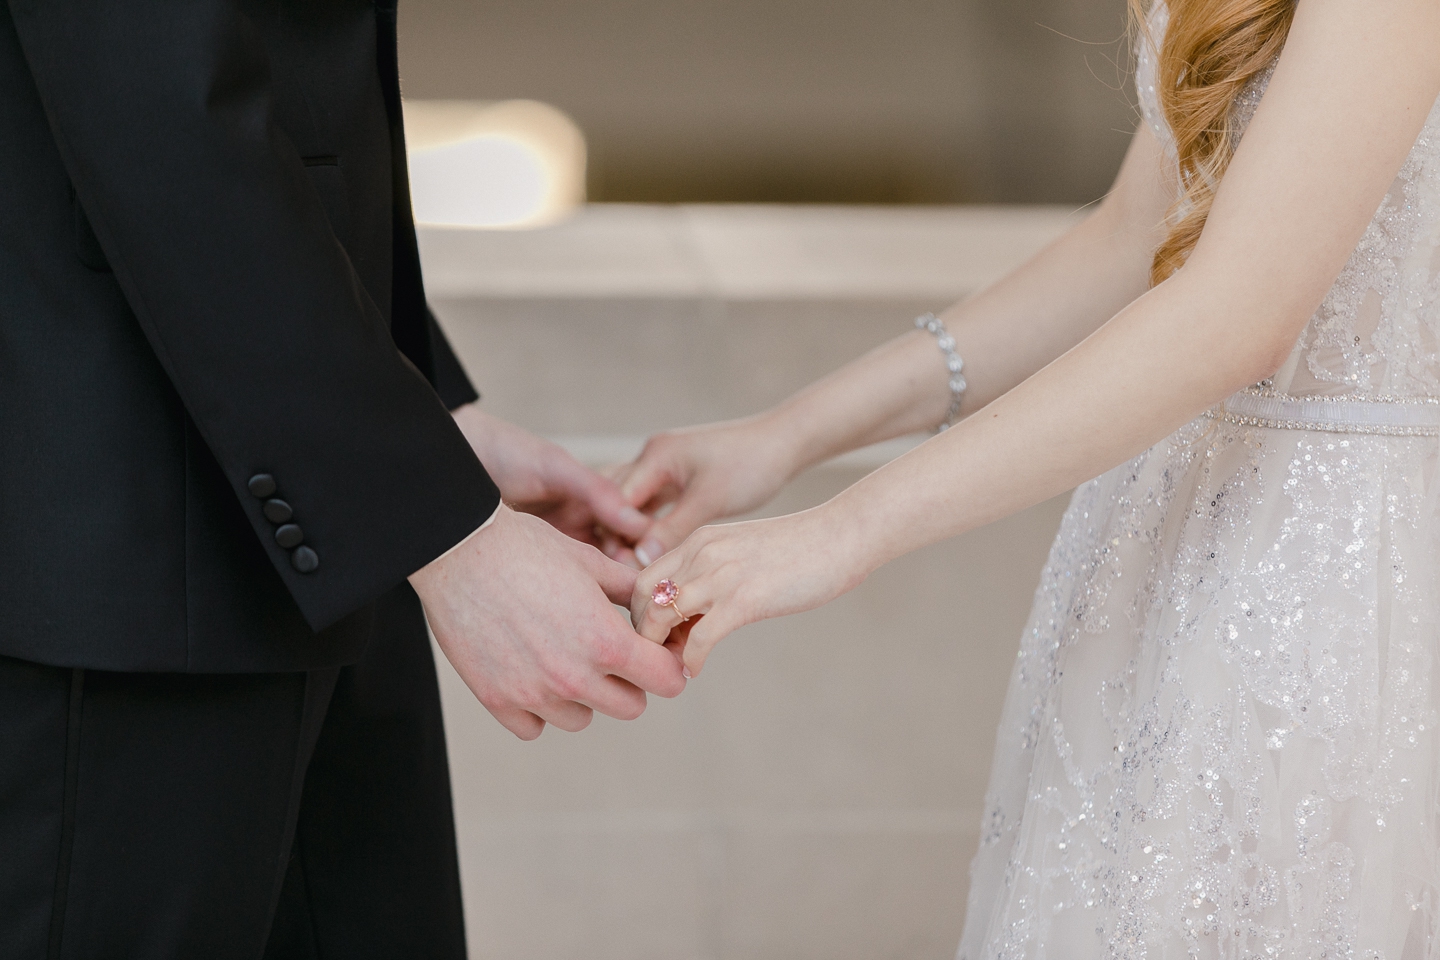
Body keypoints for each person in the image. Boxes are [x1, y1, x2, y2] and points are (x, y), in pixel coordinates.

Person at [611, 0, 1440, 952]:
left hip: (1339, 585)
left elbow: (1235, 315)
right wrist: (787, 436)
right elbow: (1135, 235)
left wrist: (847, 527)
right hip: (1175, 575)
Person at [0, 1, 684, 957]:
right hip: (134, 557)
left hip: (308, 526)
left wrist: (423, 419)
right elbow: (160, 99)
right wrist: (436, 525)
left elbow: (296, 81)